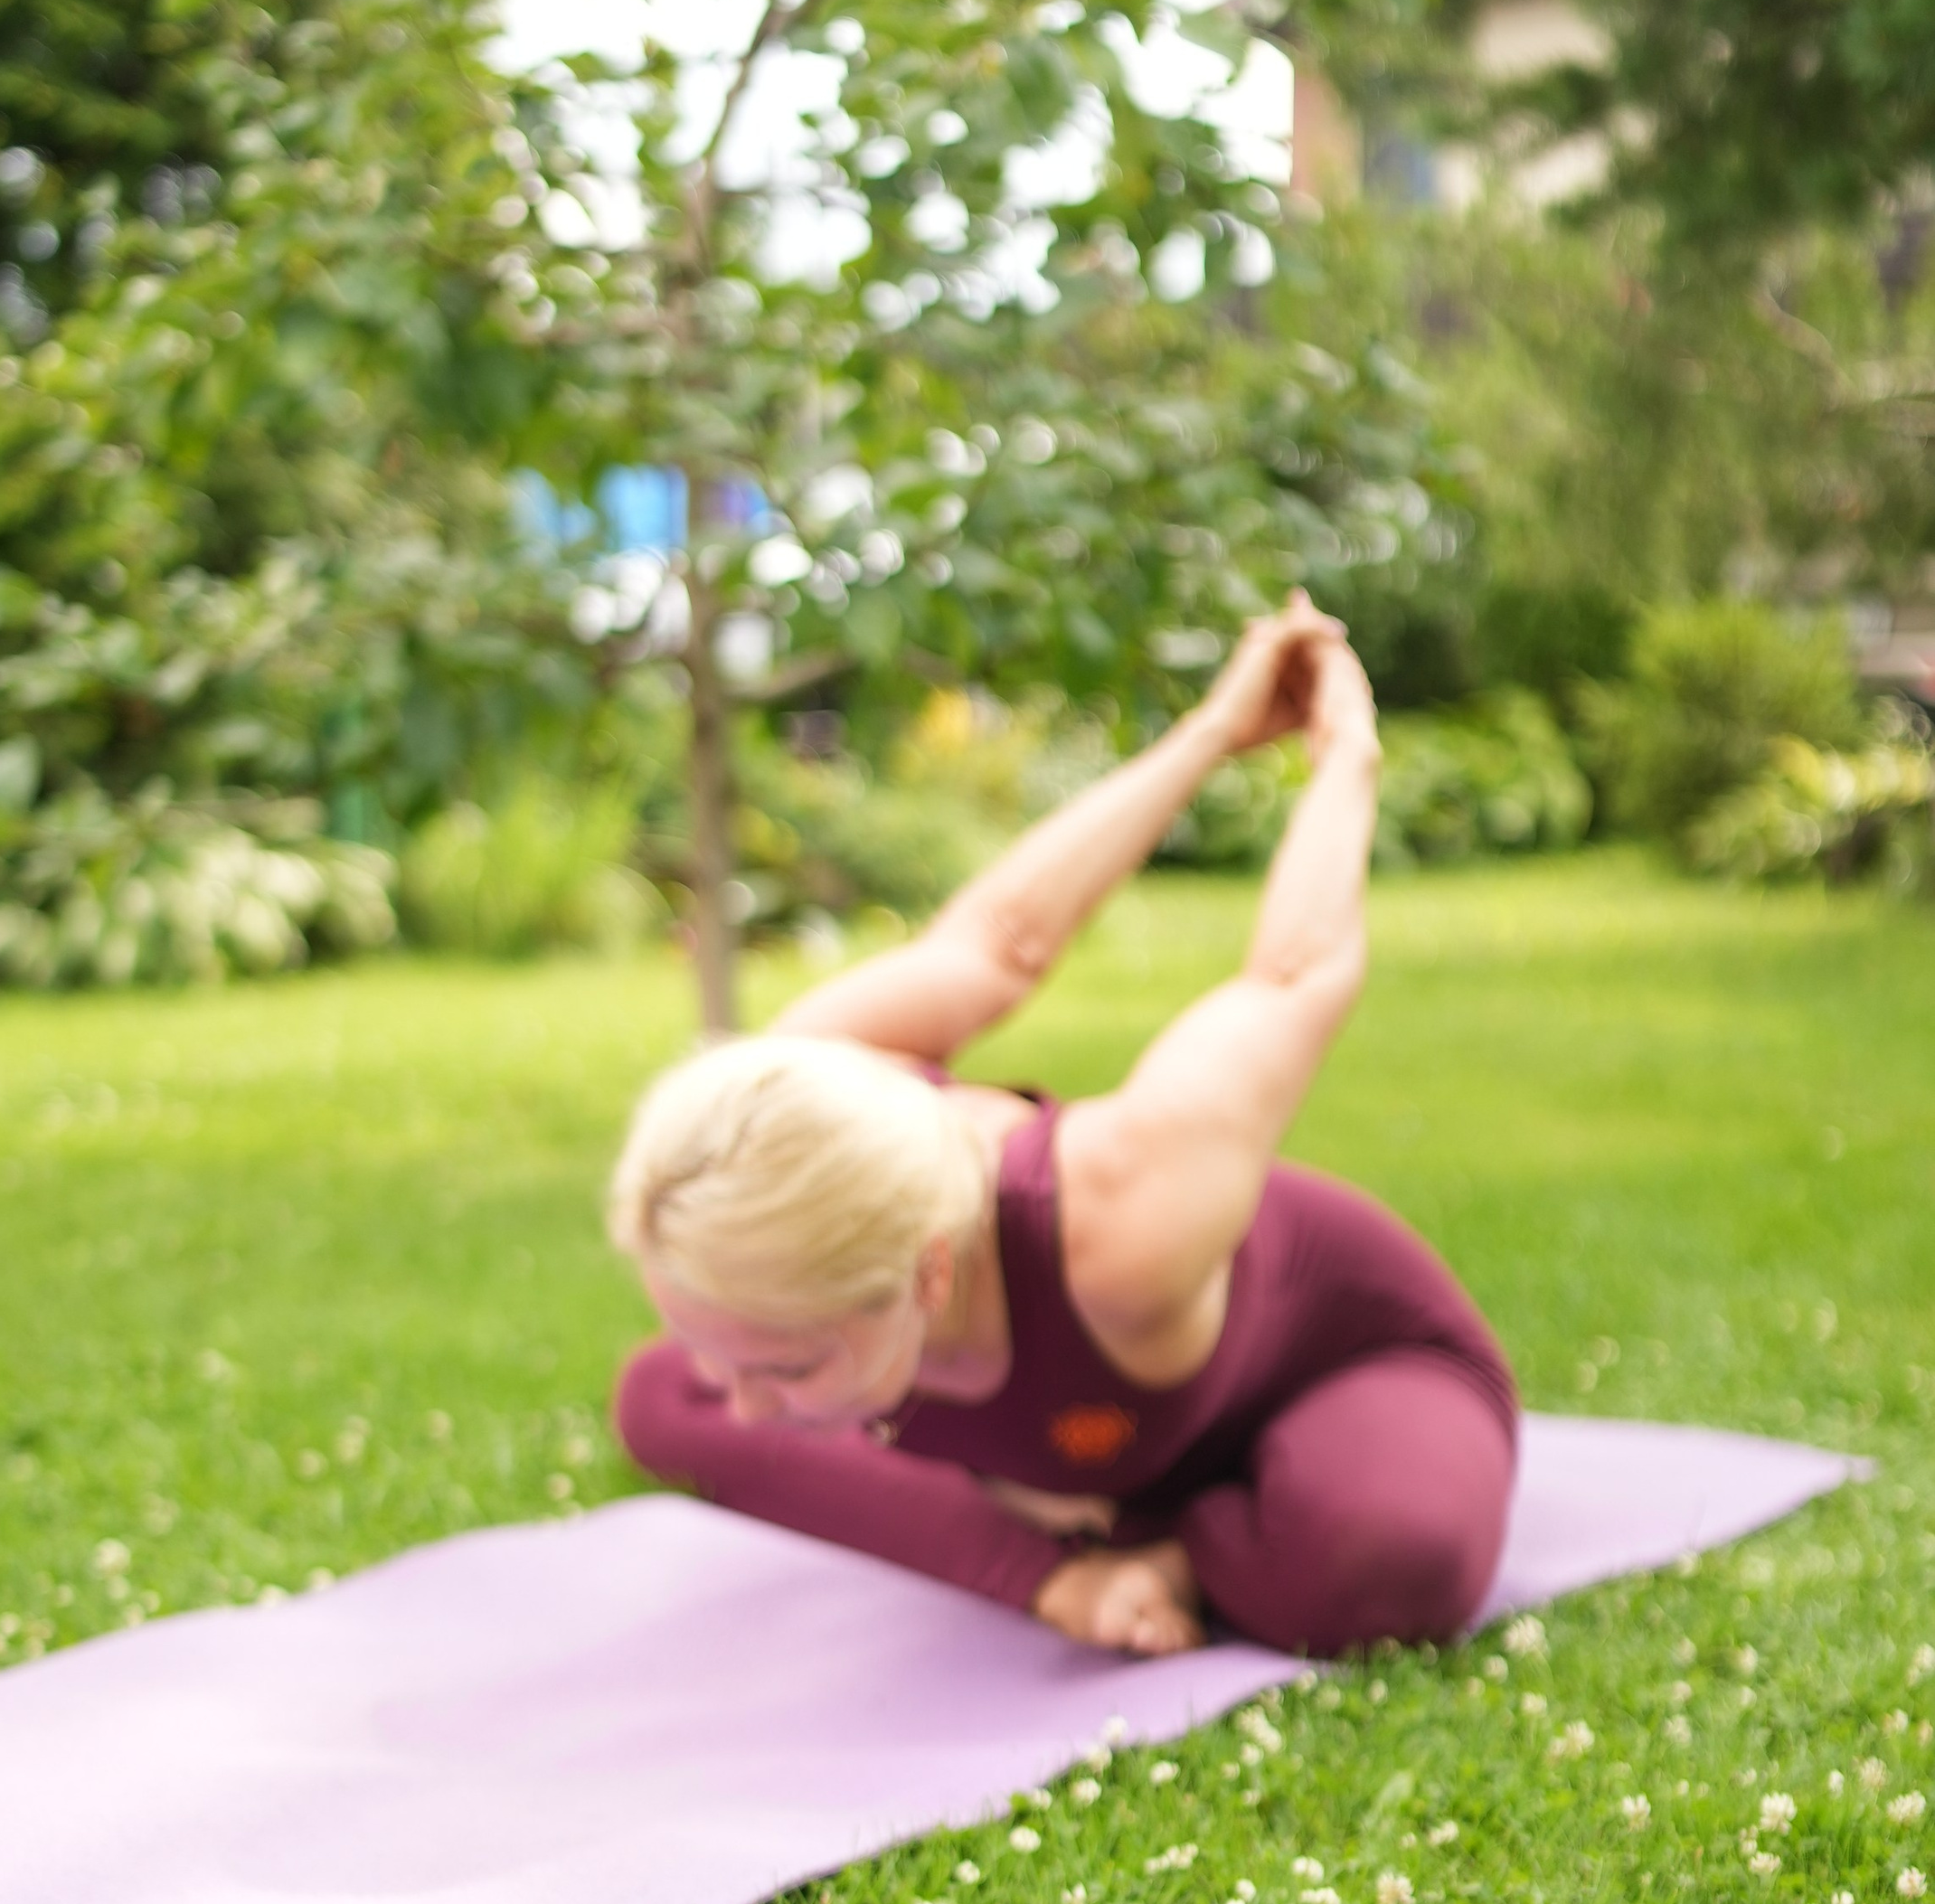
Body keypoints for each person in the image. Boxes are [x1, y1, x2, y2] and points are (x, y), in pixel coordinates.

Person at [605, 595, 1515, 1658]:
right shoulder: (803, 1076)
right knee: (662, 1400)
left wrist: (1346, 753)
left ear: (928, 1276)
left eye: (791, 1366)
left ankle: (1164, 1534)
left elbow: (1293, 975)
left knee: (1380, 1565)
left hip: (1335, 1369)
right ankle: (1077, 1543)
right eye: (730, 1354)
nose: (752, 1405)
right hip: (1076, 1437)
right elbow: (999, 941)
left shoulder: (1125, 1216)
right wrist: (1209, 735)